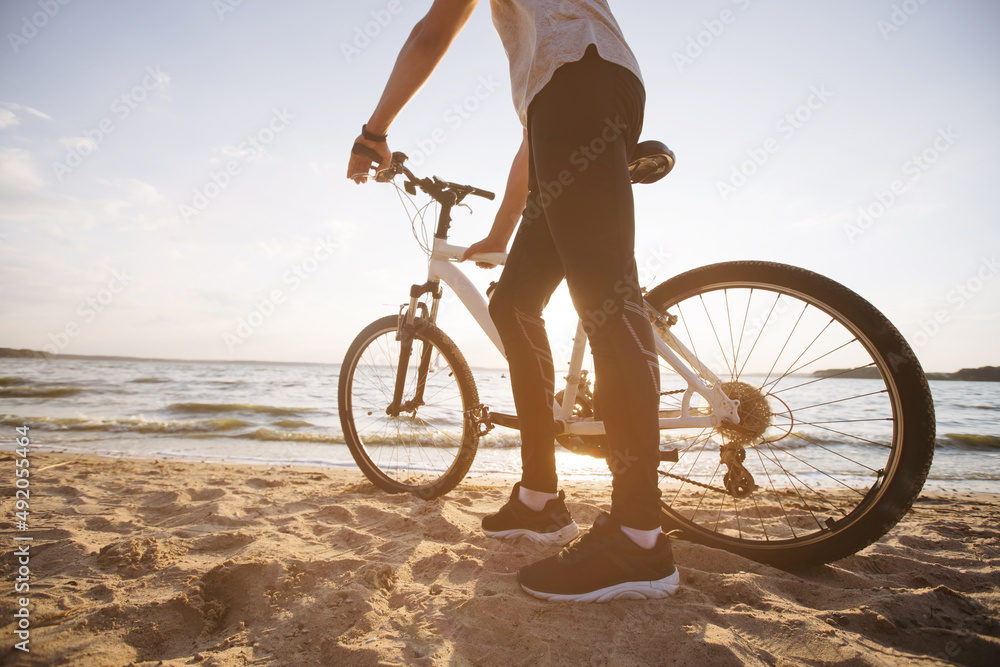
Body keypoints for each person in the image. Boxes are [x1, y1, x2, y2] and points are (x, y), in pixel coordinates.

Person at [347, 0, 678, 603]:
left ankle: (639, 537)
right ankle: (540, 498)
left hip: (579, 86)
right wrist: (500, 234)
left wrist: (374, 134)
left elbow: (432, 33)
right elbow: (537, 142)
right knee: (514, 303)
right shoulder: (555, 56)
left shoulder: (560, 57)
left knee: (605, 300)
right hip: (587, 88)